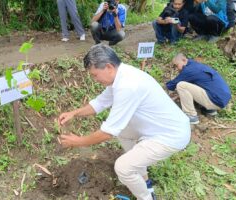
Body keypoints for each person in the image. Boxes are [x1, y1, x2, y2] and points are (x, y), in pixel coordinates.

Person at [58, 44, 191, 200]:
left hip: (171, 135)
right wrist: (74, 113)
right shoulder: (120, 75)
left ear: (108, 67)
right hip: (158, 127)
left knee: (123, 168)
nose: (94, 80)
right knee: (124, 132)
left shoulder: (128, 85)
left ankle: (147, 197)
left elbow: (108, 132)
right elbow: (100, 103)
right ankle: (144, 178)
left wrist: (78, 141)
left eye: (95, 75)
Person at [166, 53, 231, 124]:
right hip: (222, 98)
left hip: (216, 101)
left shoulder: (189, 70)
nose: (176, 68)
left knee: (181, 85)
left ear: (184, 60)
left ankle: (191, 116)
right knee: (196, 82)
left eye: (176, 65)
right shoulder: (196, 65)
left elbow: (171, 85)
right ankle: (210, 110)